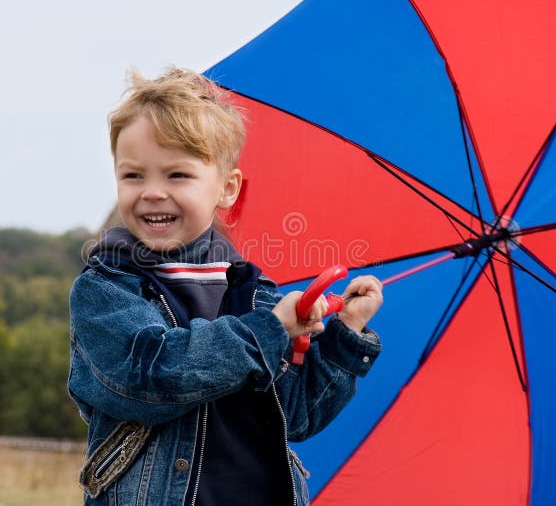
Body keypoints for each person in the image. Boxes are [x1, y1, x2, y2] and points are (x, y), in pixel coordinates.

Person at [68, 67, 383, 506]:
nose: (152, 192)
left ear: (227, 188)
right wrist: (266, 332)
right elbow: (149, 379)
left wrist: (345, 336)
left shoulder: (254, 294)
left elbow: (296, 415)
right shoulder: (107, 290)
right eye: (133, 176)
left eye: (177, 175)